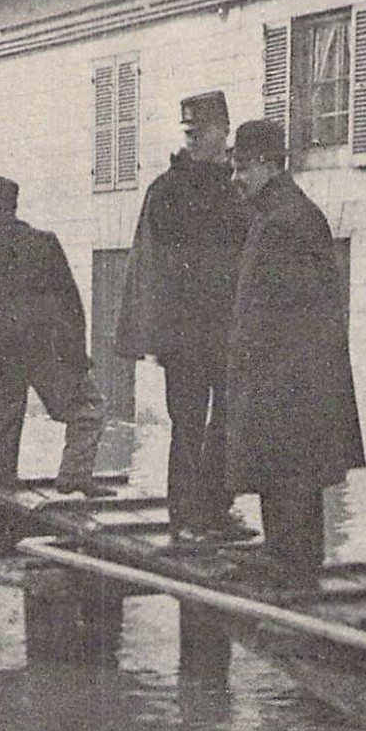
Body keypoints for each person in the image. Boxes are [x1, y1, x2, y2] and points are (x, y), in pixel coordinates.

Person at [222, 120, 365, 589]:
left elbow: (291, 312)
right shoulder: (277, 214)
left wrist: (262, 370)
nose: (236, 178)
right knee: (283, 465)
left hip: (289, 376)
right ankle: (284, 552)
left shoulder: (288, 219)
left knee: (289, 464)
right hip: (283, 372)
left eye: (241, 167)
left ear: (266, 163)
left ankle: (293, 559)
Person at [115, 90, 252, 546]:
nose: (192, 137)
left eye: (202, 130)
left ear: (224, 131)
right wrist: (158, 334)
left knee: (231, 420)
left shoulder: (240, 187)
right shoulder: (167, 190)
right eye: (187, 130)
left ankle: (216, 508)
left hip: (231, 331)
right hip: (187, 337)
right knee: (188, 423)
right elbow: (151, 269)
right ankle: (184, 517)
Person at [0, 176, 111, 499]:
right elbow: (71, 306)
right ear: (14, 205)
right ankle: (74, 475)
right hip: (46, 354)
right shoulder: (44, 242)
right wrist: (78, 358)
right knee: (88, 409)